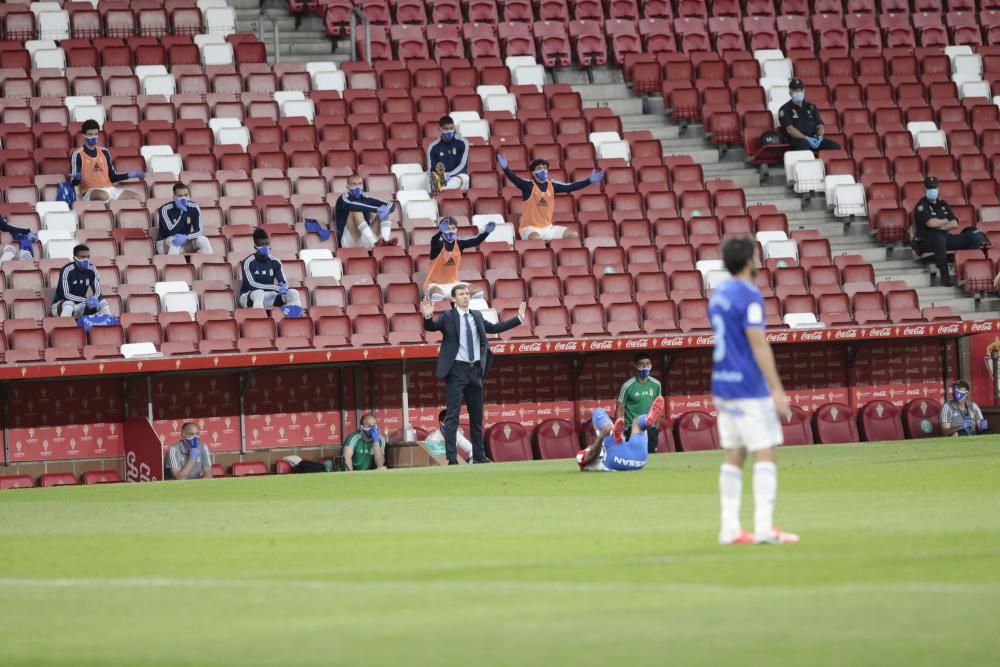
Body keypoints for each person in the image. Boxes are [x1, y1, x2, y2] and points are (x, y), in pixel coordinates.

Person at [709, 236, 799, 546]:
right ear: (749, 260)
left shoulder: (717, 295)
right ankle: (763, 527)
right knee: (766, 449)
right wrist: (776, 388)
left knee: (734, 452)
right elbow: (757, 342)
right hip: (748, 385)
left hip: (722, 382)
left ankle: (730, 529)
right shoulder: (749, 295)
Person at [422, 284, 526, 465]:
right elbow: (431, 327)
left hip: (475, 370)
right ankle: (452, 457)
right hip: (456, 370)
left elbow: (495, 328)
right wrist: (428, 315)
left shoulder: (477, 315)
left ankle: (479, 455)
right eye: (461, 294)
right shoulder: (447, 316)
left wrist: (518, 318)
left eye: (467, 294)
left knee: (477, 415)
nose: (465, 297)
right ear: (453, 299)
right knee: (453, 415)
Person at [497, 154, 603, 240]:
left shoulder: (552, 185)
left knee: (573, 235)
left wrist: (589, 181)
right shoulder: (528, 186)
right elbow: (515, 179)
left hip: (548, 228)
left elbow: (571, 186)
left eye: (545, 168)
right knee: (537, 239)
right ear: (533, 173)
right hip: (530, 229)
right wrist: (506, 169)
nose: (543, 170)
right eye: (539, 168)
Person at [913, 176, 988, 288]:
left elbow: (954, 223)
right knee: (939, 238)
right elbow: (930, 223)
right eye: (929, 188)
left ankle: (963, 270)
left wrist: (940, 226)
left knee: (973, 237)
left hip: (944, 238)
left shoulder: (943, 204)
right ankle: (945, 275)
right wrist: (944, 221)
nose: (932, 190)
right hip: (925, 241)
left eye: (934, 187)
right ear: (925, 189)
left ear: (938, 189)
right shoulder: (921, 206)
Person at [577, 397, 664, 472]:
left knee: (636, 422)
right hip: (617, 459)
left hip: (639, 459)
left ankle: (647, 420)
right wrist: (601, 436)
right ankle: (644, 421)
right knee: (598, 412)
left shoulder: (595, 447)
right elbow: (591, 454)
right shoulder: (580, 456)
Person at [69, 119, 144, 201]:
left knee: (138, 197)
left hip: (109, 189)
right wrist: (77, 179)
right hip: (90, 191)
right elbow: (74, 182)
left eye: (96, 134)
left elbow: (112, 177)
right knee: (103, 196)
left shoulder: (104, 152)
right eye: (90, 134)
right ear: (84, 135)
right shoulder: (77, 154)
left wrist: (129, 175)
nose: (94, 137)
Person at [424, 216, 494, 302]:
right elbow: (433, 241)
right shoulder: (438, 244)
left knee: (478, 293)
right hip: (434, 285)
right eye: (447, 228)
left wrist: (486, 232)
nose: (450, 231)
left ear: (456, 230)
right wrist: (439, 232)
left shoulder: (459, 243)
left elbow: (476, 240)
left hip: (453, 284)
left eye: (453, 228)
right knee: (437, 295)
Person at [239, 229, 303, 311]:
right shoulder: (248, 262)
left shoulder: (275, 262)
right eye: (261, 244)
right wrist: (274, 287)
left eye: (266, 243)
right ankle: (259, 319)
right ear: (255, 246)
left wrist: (283, 287)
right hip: (248, 297)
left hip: (269, 296)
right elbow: (253, 285)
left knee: (294, 293)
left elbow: (284, 283)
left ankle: (292, 318)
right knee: (259, 293)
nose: (265, 247)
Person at [616, 352, 663, 454]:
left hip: (651, 429)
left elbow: (658, 407)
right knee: (634, 457)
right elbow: (620, 409)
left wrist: (656, 429)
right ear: (635, 366)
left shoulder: (656, 384)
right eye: (641, 364)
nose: (645, 367)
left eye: (647, 364)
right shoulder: (627, 386)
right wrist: (620, 431)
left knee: (652, 457)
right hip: (632, 429)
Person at [333, 174, 397, 249]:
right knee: (356, 211)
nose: (357, 187)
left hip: (366, 238)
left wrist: (387, 210)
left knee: (385, 209)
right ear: (348, 187)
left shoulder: (365, 197)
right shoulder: (343, 199)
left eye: (360, 184)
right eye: (354, 184)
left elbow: (391, 204)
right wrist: (376, 209)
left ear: (363, 185)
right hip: (350, 240)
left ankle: (385, 241)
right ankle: (374, 243)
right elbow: (355, 206)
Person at [778, 79, 841, 153]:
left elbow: (819, 124)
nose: (798, 92)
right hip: (797, 140)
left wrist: (820, 136)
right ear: (790, 92)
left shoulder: (811, 107)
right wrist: (806, 138)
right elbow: (790, 129)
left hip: (813, 138)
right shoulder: (785, 109)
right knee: (804, 144)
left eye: (800, 90)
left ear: (804, 90)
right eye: (795, 90)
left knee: (835, 147)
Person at [52, 244, 111, 318]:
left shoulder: (92, 269)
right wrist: (85, 300)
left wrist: (94, 300)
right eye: (83, 257)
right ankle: (64, 328)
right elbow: (66, 295)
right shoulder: (67, 270)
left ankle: (108, 327)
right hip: (61, 305)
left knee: (103, 303)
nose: (86, 260)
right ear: (75, 258)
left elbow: (98, 292)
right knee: (69, 304)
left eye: (88, 257)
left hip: (81, 304)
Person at [155, 182, 213, 256]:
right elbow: (171, 231)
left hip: (184, 241)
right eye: (180, 196)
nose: (184, 198)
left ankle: (209, 265)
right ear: (174, 197)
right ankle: (173, 266)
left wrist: (186, 237)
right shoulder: (165, 209)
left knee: (203, 240)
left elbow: (199, 230)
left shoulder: (194, 207)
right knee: (175, 241)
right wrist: (182, 212)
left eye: (186, 195)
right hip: (164, 244)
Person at [427, 115, 470, 192]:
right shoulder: (433, 147)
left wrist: (449, 174)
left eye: (451, 128)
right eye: (446, 129)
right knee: (430, 177)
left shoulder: (462, 142)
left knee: (464, 178)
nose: (449, 131)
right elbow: (431, 168)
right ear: (440, 129)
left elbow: (462, 165)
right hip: (440, 177)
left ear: (454, 128)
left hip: (457, 176)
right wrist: (441, 176)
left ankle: (442, 189)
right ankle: (438, 187)